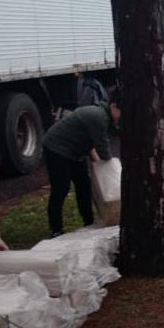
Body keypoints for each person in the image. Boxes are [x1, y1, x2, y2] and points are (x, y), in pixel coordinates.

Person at [42, 89, 122, 238]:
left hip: (75, 151)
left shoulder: (105, 117)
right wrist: (109, 166)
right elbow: (103, 149)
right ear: (114, 106)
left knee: (84, 185)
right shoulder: (99, 117)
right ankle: (56, 229)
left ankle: (89, 221)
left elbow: (90, 143)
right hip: (57, 148)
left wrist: (98, 164)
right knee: (61, 188)